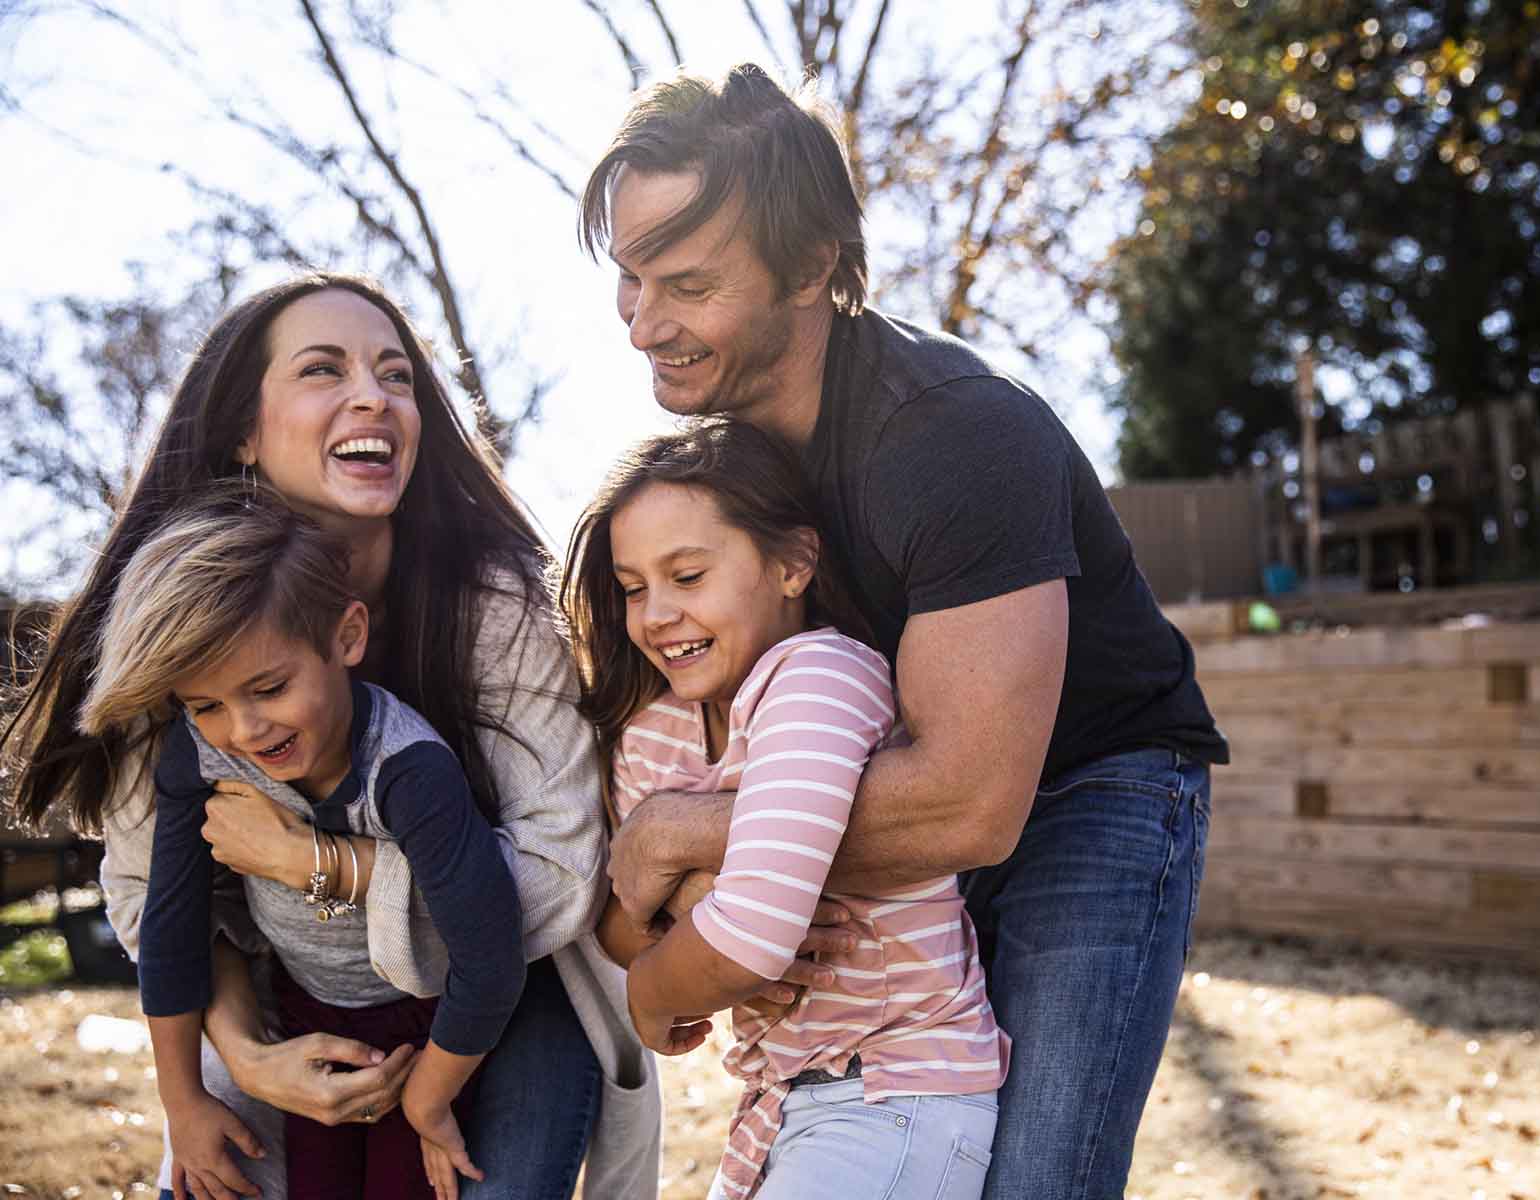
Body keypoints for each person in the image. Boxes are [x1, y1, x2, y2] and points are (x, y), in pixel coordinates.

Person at [580, 64, 1230, 1199]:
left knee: (1035, 1176)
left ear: (814, 267)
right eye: (630, 281)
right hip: (887, 784)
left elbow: (972, 804)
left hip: (1092, 790)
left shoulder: (955, 436)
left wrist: (684, 836)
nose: (644, 326)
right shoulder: (726, 471)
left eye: (685, 284)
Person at [0, 273, 659, 1200]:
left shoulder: (496, 601)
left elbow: (556, 877)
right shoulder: (179, 614)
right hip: (287, 992)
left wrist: (322, 863)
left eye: (397, 374)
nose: (372, 395)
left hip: (504, 991)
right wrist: (242, 1054)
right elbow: (154, 890)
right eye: (324, 369)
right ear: (242, 429)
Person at [563, 422, 1008, 1200]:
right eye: (635, 588)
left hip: (898, 1090)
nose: (656, 613)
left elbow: (748, 940)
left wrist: (653, 991)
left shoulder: (820, 677)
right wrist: (684, 930)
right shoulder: (655, 735)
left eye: (689, 575)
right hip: (784, 1102)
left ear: (792, 563)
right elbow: (623, 913)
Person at [79, 485, 524, 1200]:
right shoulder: (198, 754)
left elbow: (491, 957)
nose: (245, 730)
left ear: (347, 637)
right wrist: (183, 1100)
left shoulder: (409, 771)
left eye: (269, 687)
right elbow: (173, 927)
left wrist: (429, 1097)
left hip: (426, 1025)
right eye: (207, 706)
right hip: (304, 1013)